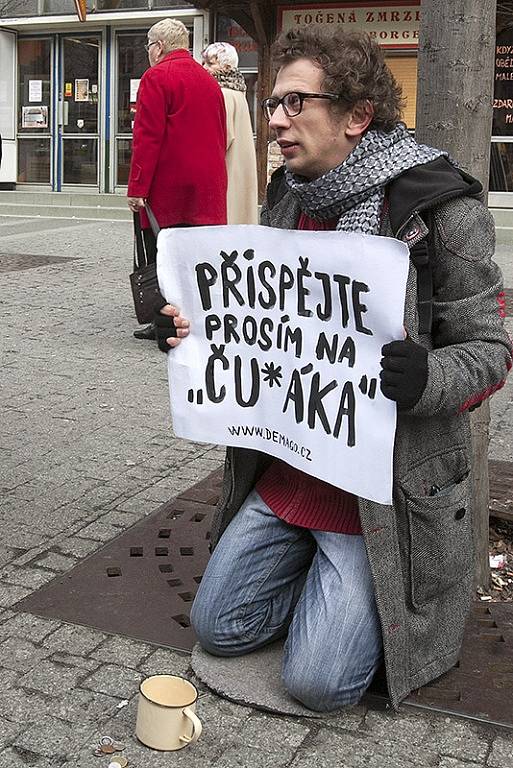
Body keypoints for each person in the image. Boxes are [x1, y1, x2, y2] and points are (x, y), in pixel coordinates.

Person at [156, 27, 513, 711]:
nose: (275, 121)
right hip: (291, 467)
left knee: (319, 684)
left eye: (295, 103)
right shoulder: (286, 194)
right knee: (218, 628)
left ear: (356, 117)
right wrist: (199, 333)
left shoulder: (443, 210)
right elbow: (266, 321)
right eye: (270, 104)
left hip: (377, 496)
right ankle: (319, 582)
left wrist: (426, 377)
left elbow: (490, 353)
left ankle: (351, 594)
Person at [127, 18, 227, 340]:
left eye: (148, 47)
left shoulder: (156, 77)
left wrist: (137, 188)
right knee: (197, 257)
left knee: (164, 256)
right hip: (207, 187)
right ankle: (200, 315)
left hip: (168, 190)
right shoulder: (209, 81)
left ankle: (167, 322)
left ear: (157, 47)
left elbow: (147, 137)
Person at [202, 42, 258, 224]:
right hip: (238, 169)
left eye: (210, 64)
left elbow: (220, 139)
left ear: (226, 67)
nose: (204, 68)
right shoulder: (238, 91)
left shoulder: (222, 94)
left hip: (227, 171)